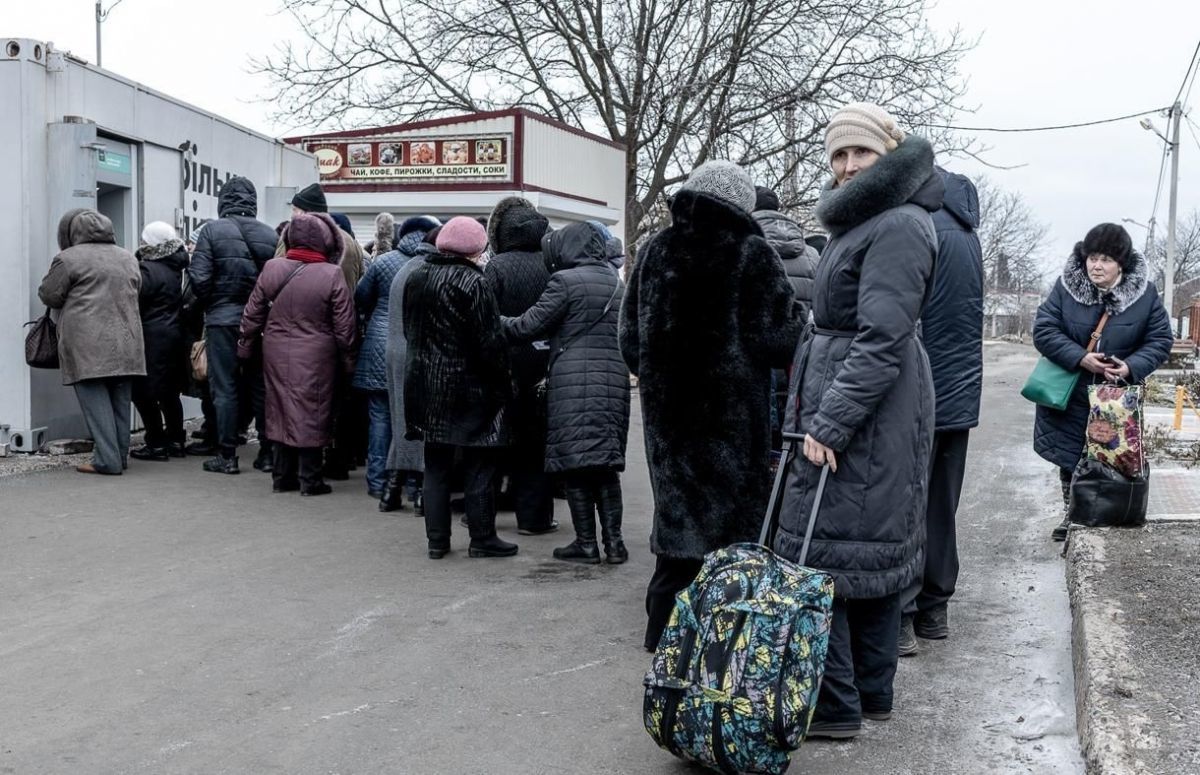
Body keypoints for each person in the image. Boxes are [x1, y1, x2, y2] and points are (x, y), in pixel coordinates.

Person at [772, 103, 942, 740]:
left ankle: (837, 705)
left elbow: (882, 339)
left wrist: (829, 423)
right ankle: (869, 695)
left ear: (888, 153)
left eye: (860, 153)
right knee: (861, 553)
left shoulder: (897, 223)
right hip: (862, 397)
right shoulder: (868, 220)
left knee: (828, 553)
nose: (846, 167)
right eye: (838, 154)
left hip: (866, 405)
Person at [619, 160, 803, 651]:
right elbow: (779, 340)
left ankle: (661, 638)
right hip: (730, 423)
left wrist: (662, 373)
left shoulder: (656, 250)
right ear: (742, 206)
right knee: (731, 540)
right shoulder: (752, 254)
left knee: (677, 529)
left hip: (668, 422)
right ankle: (720, 648)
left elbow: (629, 340)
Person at [502, 221, 632, 564]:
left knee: (575, 465)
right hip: (613, 383)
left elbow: (528, 326)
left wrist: (493, 319)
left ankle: (586, 544)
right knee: (605, 467)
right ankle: (615, 544)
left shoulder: (564, 282)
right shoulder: (616, 284)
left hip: (573, 384)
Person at [1032, 223, 1172, 540]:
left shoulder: (1145, 295)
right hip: (1071, 392)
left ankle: (1105, 511)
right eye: (1092, 257)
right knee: (1070, 457)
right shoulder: (1065, 288)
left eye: (1106, 259)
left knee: (1112, 457)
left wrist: (1131, 366)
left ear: (1121, 263)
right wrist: (1080, 357)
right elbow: (1043, 330)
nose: (1096, 265)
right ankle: (1073, 515)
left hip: (1115, 397)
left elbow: (1160, 339)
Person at [897, 168, 984, 656]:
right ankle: (935, 609)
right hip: (959, 395)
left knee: (905, 502)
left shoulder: (920, 226)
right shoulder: (967, 234)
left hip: (918, 393)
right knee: (941, 505)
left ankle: (904, 614)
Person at [404, 217, 515, 559]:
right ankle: (482, 538)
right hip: (469, 387)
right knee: (479, 461)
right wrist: (503, 382)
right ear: (476, 248)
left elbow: (410, 329)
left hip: (425, 383)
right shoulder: (473, 282)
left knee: (435, 464)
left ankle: (437, 541)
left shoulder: (417, 275)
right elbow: (489, 342)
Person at [237, 212, 356, 496]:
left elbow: (252, 314)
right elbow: (345, 325)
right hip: (318, 354)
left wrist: (244, 349)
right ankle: (310, 479)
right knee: (313, 410)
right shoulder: (331, 273)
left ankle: (282, 477)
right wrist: (349, 360)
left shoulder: (272, 268)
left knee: (278, 408)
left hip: (275, 350)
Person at [38, 209, 145, 475]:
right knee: (120, 403)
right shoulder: (127, 257)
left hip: (88, 342)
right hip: (128, 340)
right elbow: (137, 289)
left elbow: (50, 295)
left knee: (96, 404)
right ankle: (118, 457)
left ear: (73, 232)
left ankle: (106, 461)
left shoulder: (68, 258)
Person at [187, 176, 279, 474]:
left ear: (223, 200)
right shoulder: (269, 235)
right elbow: (277, 282)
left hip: (221, 320)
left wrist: (216, 303)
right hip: (260, 321)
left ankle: (227, 455)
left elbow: (198, 279)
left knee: (224, 387)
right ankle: (267, 453)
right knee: (260, 387)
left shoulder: (211, 231)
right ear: (252, 202)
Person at [483, 196, 558, 536]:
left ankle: (481, 512)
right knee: (534, 444)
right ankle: (535, 518)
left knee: (495, 442)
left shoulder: (496, 267)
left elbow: (484, 319)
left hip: (505, 364)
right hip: (544, 365)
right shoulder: (553, 263)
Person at [355, 215, 440, 501]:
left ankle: (377, 482)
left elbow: (361, 297)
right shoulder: (431, 265)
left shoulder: (382, 261)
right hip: (414, 349)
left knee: (379, 418)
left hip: (380, 347)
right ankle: (412, 487)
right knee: (411, 420)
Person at [380, 224, 441, 514]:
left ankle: (391, 490)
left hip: (395, 352)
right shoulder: (426, 272)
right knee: (419, 426)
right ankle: (419, 495)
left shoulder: (406, 268)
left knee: (402, 423)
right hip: (415, 353)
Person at [129, 222, 190, 461]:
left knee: (142, 392)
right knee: (169, 392)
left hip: (151, 336)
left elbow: (136, 302)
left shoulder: (147, 270)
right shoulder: (177, 266)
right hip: (174, 334)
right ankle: (176, 439)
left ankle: (156, 443)